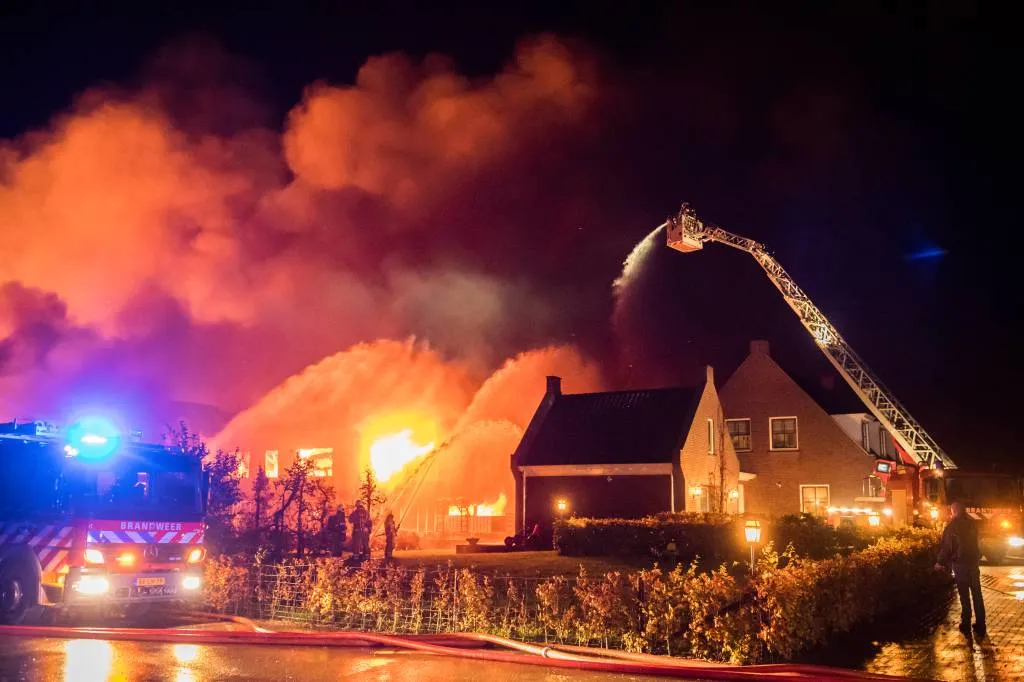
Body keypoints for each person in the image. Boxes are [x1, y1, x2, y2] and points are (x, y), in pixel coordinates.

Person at [935, 499, 987, 638]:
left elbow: (947, 547)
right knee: (977, 593)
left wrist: (940, 562)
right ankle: (981, 624)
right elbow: (979, 542)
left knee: (964, 595)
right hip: (973, 563)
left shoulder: (952, 527)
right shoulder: (973, 525)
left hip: (960, 564)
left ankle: (966, 623)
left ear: (954, 511)